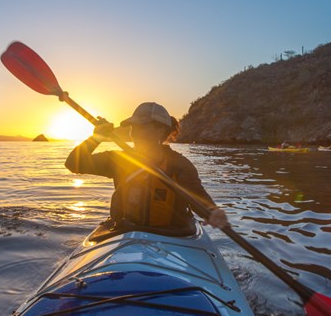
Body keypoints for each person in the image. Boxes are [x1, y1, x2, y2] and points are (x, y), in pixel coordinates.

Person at [64, 99, 229, 235]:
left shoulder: (180, 165)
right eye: (133, 127)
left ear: (160, 130)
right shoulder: (118, 159)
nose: (134, 133)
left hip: (173, 235)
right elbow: (73, 163)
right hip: (126, 232)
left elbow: (198, 197)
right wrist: (96, 138)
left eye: (142, 126)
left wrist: (213, 211)